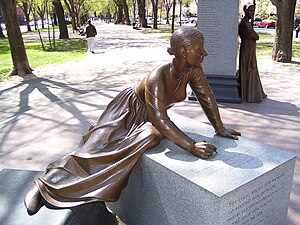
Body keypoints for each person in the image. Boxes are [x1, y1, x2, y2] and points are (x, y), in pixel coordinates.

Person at [24, 27, 241, 215]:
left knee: (152, 135)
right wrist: (191, 146)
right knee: (92, 152)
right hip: (125, 111)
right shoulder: (158, 75)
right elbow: (159, 117)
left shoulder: (193, 70)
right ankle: (45, 185)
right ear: (184, 51)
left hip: (149, 116)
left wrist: (219, 127)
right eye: (199, 48)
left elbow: (206, 97)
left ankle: (93, 185)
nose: (204, 53)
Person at [238, 4, 267, 103]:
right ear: (246, 11)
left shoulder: (247, 22)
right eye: (250, 11)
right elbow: (255, 36)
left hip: (250, 47)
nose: (252, 13)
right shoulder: (245, 23)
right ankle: (248, 94)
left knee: (252, 67)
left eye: (253, 11)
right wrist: (254, 34)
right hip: (247, 48)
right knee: (249, 68)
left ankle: (253, 92)